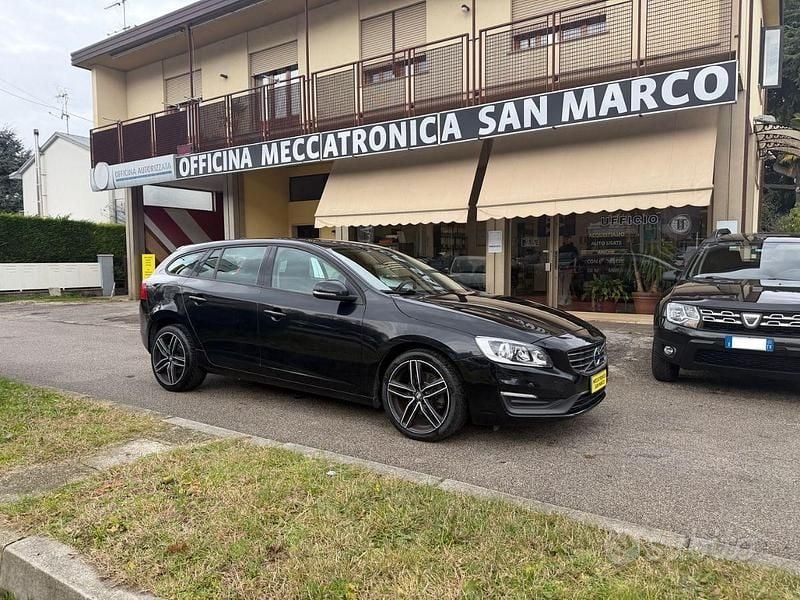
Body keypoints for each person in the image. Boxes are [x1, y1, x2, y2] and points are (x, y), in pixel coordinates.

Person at [558, 236, 579, 306]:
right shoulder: (560, 249)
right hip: (561, 268)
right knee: (561, 285)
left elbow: (575, 259)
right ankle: (567, 299)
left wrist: (574, 268)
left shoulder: (573, 249)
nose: (566, 240)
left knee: (566, 285)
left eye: (567, 238)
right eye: (565, 238)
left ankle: (563, 299)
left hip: (568, 269)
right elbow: (557, 258)